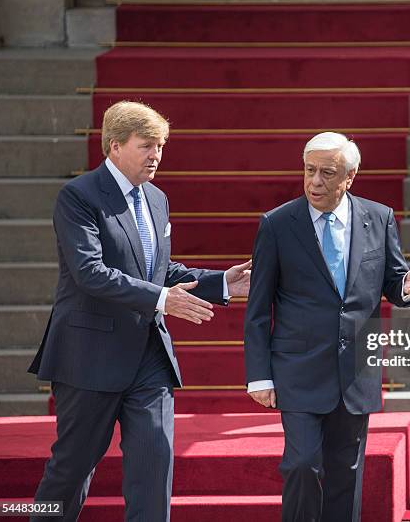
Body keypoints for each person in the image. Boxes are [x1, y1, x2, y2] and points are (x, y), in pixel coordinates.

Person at [28, 101, 251, 521]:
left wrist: (222, 283)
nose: (157, 156)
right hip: (88, 356)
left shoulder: (157, 198)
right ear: (115, 146)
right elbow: (90, 272)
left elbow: (158, 268)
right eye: (147, 146)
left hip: (149, 356)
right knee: (70, 472)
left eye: (161, 146)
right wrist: (164, 299)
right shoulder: (78, 196)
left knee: (154, 468)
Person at [244, 132, 410, 522]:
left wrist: (406, 289)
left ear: (350, 176)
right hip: (297, 369)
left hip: (355, 371)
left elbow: (393, 280)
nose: (315, 181)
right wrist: (259, 376)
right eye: (309, 170)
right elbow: (258, 308)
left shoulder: (378, 217)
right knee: (302, 464)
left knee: (346, 474)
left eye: (328, 173)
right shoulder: (277, 224)